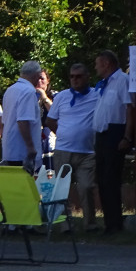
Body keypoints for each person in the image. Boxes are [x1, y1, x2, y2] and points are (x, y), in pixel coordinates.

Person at [44, 64, 100, 231]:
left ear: (87, 77)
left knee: (87, 187)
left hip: (87, 151)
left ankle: (90, 223)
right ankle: (65, 224)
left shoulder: (97, 95)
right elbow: (50, 120)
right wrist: (63, 134)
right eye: (72, 76)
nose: (75, 79)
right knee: (62, 189)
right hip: (63, 150)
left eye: (79, 76)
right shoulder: (62, 96)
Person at [92, 50, 133, 234]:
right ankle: (109, 222)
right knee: (101, 179)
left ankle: (116, 223)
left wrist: (127, 136)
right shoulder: (104, 84)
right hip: (101, 135)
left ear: (107, 63)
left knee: (111, 179)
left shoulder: (122, 80)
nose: (95, 67)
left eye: (97, 63)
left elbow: (129, 109)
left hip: (115, 133)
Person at [0, 61, 44, 173]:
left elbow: (5, 121)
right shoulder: (28, 92)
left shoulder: (10, 90)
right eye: (39, 77)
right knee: (23, 187)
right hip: (22, 153)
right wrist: (31, 148)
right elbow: (23, 121)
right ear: (35, 76)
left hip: (10, 149)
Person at [36, 69, 57, 170]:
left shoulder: (55, 96)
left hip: (50, 139)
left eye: (42, 78)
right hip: (35, 140)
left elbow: (56, 112)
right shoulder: (29, 96)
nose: (39, 81)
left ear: (48, 80)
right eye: (36, 79)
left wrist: (44, 97)